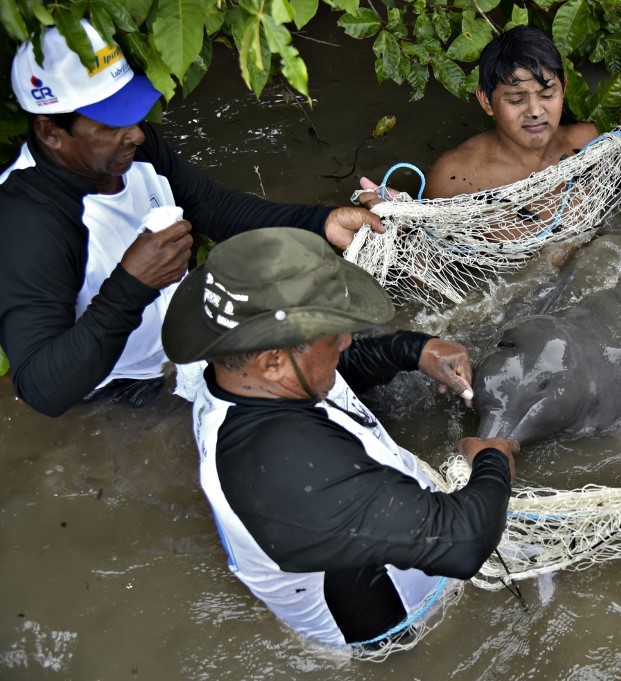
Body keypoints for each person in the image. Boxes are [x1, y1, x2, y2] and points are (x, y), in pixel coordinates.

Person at [0, 20, 384, 417]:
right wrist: (131, 285)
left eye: (132, 112)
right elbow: (41, 388)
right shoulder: (25, 223)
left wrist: (321, 223)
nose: (134, 133)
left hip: (195, 337)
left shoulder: (134, 150)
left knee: (355, 374)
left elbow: (212, 207)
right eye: (112, 123)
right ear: (50, 132)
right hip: (131, 390)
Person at [161, 227, 519, 646]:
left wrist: (415, 349)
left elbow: (339, 366)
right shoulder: (286, 468)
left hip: (350, 536)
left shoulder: (236, 376)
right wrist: (492, 457)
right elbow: (464, 542)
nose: (346, 339)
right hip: (394, 631)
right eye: (331, 335)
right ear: (273, 361)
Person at [421, 26, 599, 200]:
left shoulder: (594, 145)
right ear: (486, 100)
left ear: (564, 88)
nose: (535, 111)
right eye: (516, 99)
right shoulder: (454, 178)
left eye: (546, 95)